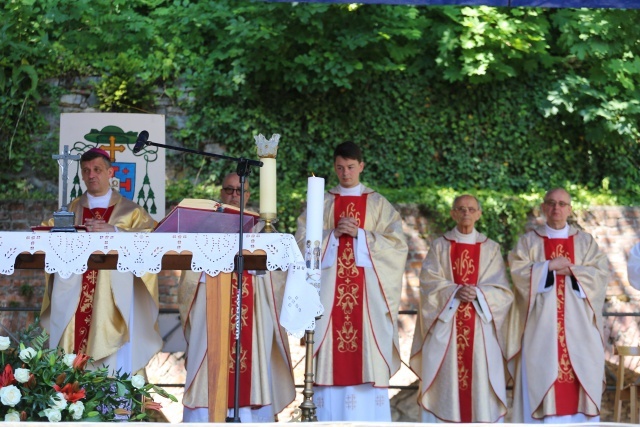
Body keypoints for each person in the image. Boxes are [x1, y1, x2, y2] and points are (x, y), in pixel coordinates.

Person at [295, 141, 408, 422]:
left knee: (366, 357)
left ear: (361, 166)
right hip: (329, 300)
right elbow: (300, 243)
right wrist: (332, 236)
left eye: (350, 167)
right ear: (334, 168)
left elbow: (397, 247)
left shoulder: (378, 203)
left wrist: (362, 236)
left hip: (366, 300)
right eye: (340, 167)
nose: (345, 173)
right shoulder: (321, 202)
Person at [178, 172, 295, 423]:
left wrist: (255, 266)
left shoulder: (263, 230)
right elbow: (188, 276)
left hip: (252, 313)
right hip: (213, 310)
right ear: (220, 193)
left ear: (249, 196)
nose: (234, 195)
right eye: (229, 190)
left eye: (239, 191)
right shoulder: (203, 229)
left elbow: (277, 276)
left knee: (252, 362)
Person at [40, 147, 161, 375]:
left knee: (114, 360)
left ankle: (116, 405)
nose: (91, 175)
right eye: (86, 171)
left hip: (113, 296)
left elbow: (152, 238)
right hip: (74, 296)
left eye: (97, 169)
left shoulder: (131, 212)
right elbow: (44, 235)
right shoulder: (71, 210)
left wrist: (114, 231)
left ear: (110, 173)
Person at [508, 188, 609, 423]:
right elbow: (518, 272)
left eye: (562, 204)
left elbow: (600, 275)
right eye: (551, 203)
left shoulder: (585, 242)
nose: (556, 208)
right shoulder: (529, 241)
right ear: (543, 207)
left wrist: (572, 270)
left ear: (569, 209)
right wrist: (549, 267)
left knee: (580, 370)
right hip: (541, 326)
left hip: (579, 327)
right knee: (541, 372)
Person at [410, 195, 513, 423]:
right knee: (446, 386)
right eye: (461, 209)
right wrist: (454, 292)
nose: (466, 213)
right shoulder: (439, 246)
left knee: (480, 385)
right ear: (453, 213)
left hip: (480, 330)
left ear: (479, 214)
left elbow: (502, 290)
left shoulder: (491, 249)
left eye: (471, 209)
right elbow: (428, 283)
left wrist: (479, 293)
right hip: (447, 329)